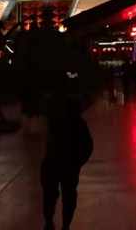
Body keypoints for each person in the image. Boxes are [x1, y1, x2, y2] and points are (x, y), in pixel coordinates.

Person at [41, 81, 94, 230]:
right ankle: (65, 226)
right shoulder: (78, 122)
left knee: (50, 195)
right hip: (69, 164)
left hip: (53, 162)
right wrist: (77, 162)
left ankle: (49, 222)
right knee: (68, 196)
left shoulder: (54, 121)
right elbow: (89, 146)